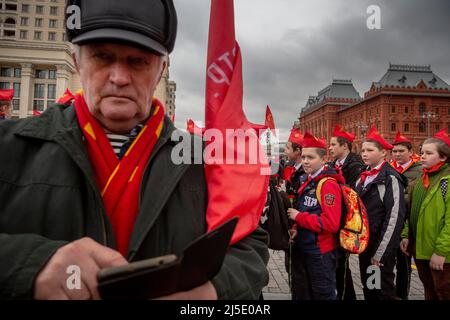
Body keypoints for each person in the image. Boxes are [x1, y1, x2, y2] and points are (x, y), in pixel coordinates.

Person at [0, 0, 269, 300]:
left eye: (138, 61)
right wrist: (31, 264)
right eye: (102, 57)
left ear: (161, 69)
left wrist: (212, 291)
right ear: (77, 61)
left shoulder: (205, 157)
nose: (119, 77)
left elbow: (249, 245)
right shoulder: (9, 146)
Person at [287, 131, 343, 300]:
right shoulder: (308, 179)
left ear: (324, 159)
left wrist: (298, 218)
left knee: (322, 296)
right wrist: (296, 228)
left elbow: (330, 224)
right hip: (306, 249)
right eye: (303, 157)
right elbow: (307, 209)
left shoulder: (328, 184)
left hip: (320, 253)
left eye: (310, 158)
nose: (305, 161)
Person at [356, 127, 407, 300]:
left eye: (370, 150)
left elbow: (394, 218)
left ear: (384, 152)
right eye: (363, 150)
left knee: (381, 290)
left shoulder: (390, 178)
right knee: (370, 286)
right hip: (366, 245)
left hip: (379, 247)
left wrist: (380, 252)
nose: (364, 154)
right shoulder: (362, 177)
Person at [400, 129, 450, 300]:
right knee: (429, 290)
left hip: (441, 254)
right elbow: (410, 211)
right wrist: (406, 235)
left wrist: (441, 251)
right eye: (422, 152)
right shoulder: (420, 181)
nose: (422, 156)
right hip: (420, 249)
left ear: (443, 157)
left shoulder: (447, 181)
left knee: (443, 291)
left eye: (429, 153)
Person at [329, 125, 364, 300]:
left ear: (344, 146)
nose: (330, 148)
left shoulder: (355, 164)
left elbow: (353, 195)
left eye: (333, 144)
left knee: (341, 265)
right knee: (337, 264)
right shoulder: (333, 164)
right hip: (335, 220)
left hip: (347, 221)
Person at [390, 131, 422, 299]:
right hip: (391, 223)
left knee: (404, 265)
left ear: (410, 151)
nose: (397, 154)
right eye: (394, 151)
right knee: (386, 263)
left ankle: (402, 295)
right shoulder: (389, 169)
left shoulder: (420, 170)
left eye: (401, 151)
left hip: (407, 224)